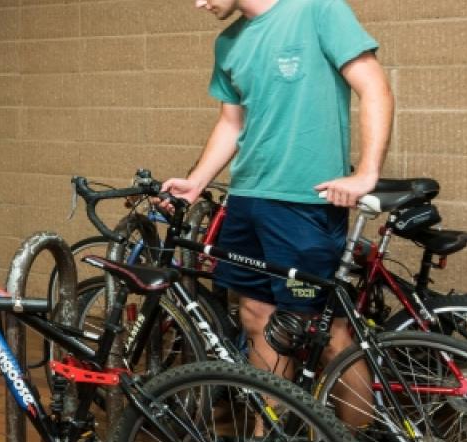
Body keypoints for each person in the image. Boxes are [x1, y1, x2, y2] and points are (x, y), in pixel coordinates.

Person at [162, 0, 391, 416]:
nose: (198, 3)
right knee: (256, 317)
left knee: (326, 331)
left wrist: (367, 173)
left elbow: (373, 86)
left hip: (304, 204)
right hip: (247, 199)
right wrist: (197, 181)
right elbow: (233, 123)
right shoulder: (228, 43)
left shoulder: (317, 9)